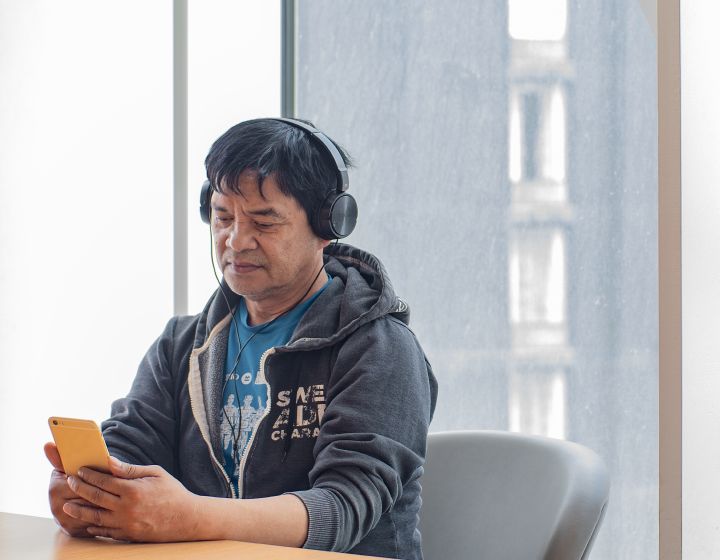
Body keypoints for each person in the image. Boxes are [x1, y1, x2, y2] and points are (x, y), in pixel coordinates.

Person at [44, 118, 438, 559]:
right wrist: (92, 495)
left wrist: (190, 517)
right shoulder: (183, 344)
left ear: (329, 225)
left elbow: (343, 508)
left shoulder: (380, 348)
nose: (236, 240)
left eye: (264, 222)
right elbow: (131, 443)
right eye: (222, 216)